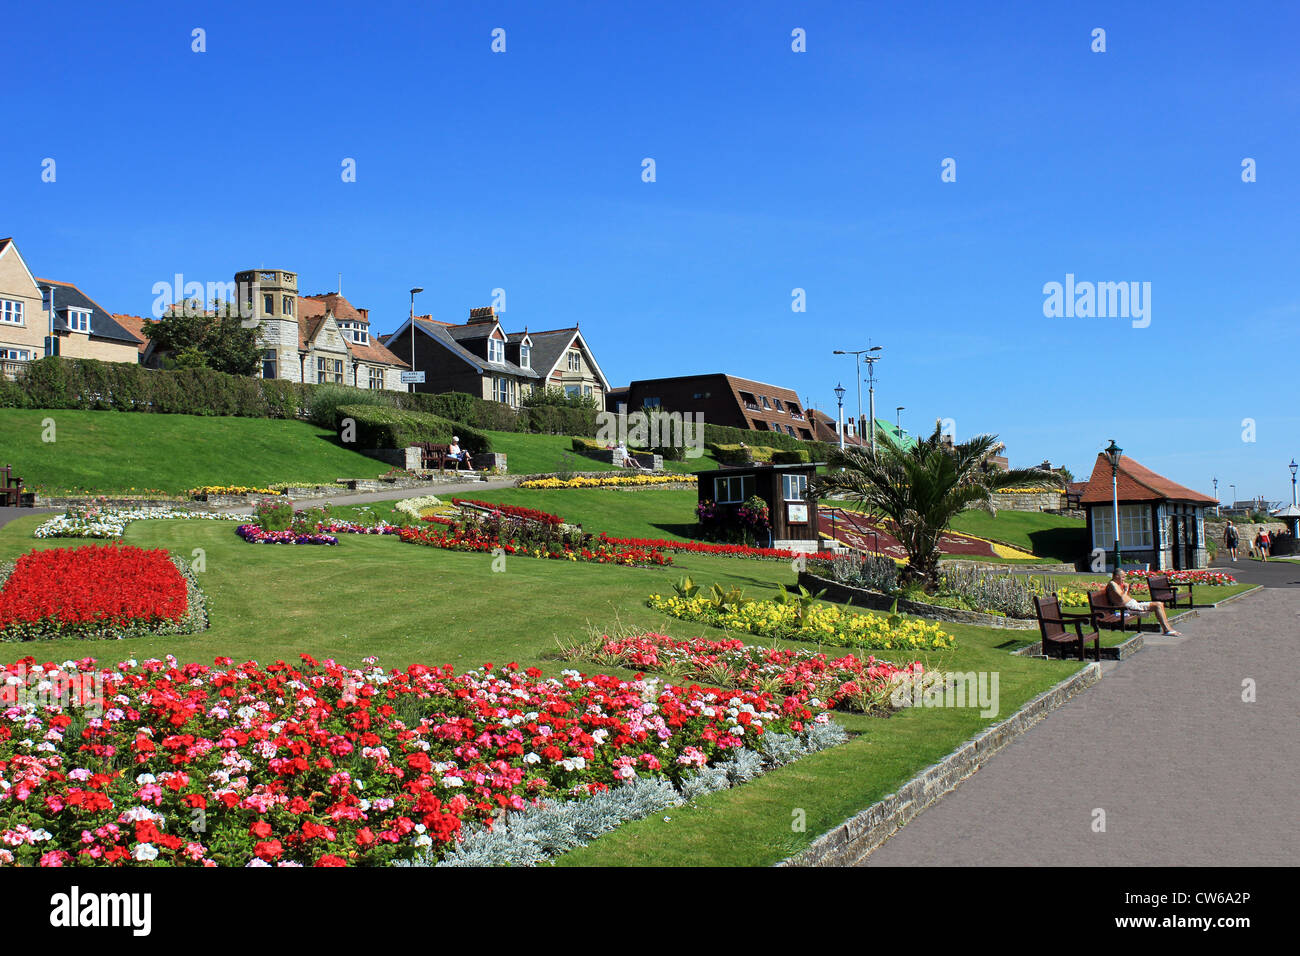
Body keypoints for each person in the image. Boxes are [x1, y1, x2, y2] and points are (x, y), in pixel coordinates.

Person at [1107, 569, 1181, 636]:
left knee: (1160, 604)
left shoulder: (1116, 584)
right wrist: (1126, 589)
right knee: (1157, 605)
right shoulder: (1113, 584)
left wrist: (1127, 590)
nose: (1124, 579)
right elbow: (1121, 597)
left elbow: (1123, 597)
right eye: (1122, 577)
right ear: (1117, 576)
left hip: (1132, 604)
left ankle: (1168, 629)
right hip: (1129, 607)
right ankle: (1167, 630)